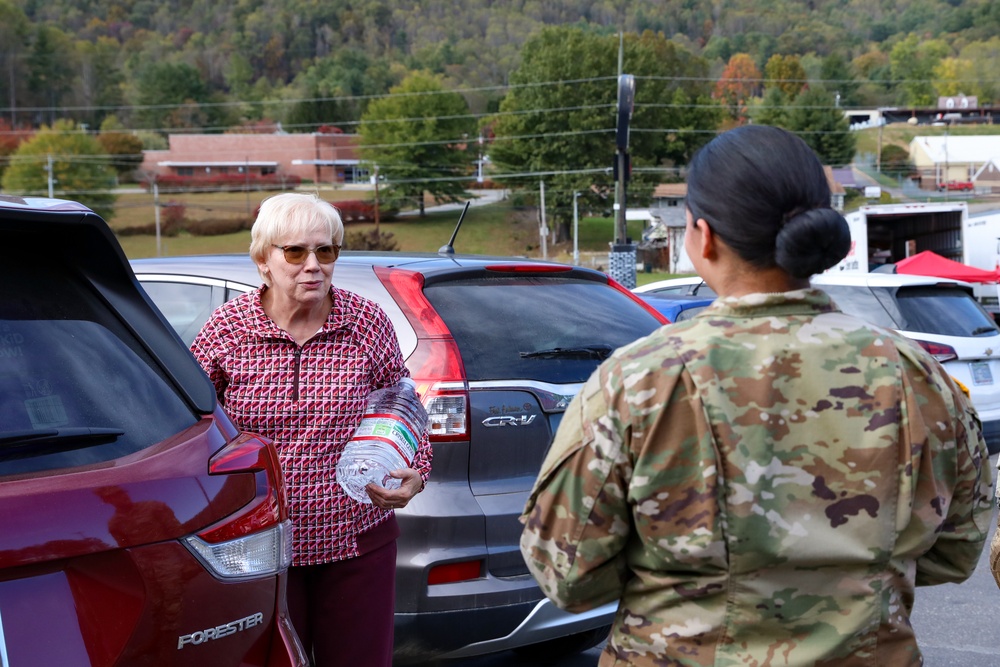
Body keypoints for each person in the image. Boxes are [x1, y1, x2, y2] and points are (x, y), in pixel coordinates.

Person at [520, 125, 992, 666]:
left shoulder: (640, 380)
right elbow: (956, 551)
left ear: (704, 236)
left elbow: (565, 571)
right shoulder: (917, 374)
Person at [190, 192, 432, 666]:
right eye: (295, 252)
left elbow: (402, 408)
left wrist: (416, 472)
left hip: (357, 538)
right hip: (260, 547)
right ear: (263, 260)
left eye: (326, 251)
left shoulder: (365, 322)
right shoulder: (227, 330)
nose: (313, 265)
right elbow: (196, 427)